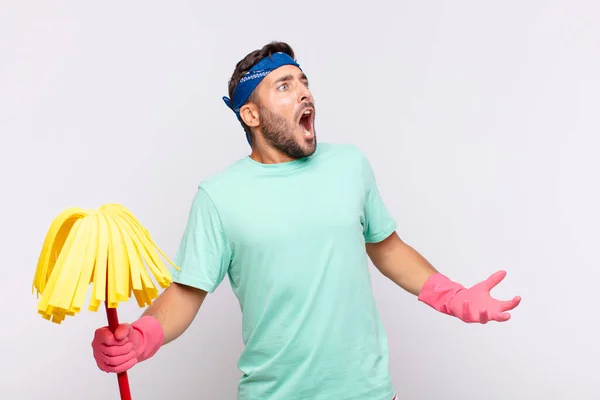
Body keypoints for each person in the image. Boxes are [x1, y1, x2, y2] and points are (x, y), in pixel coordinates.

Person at [91, 41, 521, 400]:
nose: (304, 94)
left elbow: (386, 247)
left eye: (304, 82)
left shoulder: (349, 165)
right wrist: (142, 336)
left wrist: (453, 296)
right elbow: (187, 292)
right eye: (284, 85)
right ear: (251, 115)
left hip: (368, 393)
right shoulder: (219, 196)